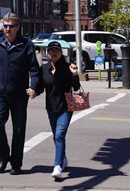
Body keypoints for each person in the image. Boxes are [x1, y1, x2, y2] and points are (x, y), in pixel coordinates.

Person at [0, 13, 40, 175]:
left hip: (19, 95)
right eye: (5, 26)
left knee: (19, 129)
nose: (7, 29)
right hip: (0, 93)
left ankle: (16, 163)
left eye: (11, 26)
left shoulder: (26, 44)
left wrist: (34, 87)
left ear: (17, 27)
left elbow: (34, 69)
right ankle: (3, 157)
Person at [29, 41, 80, 179]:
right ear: (47, 53)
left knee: (59, 135)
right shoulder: (44, 68)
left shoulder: (68, 67)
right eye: (51, 50)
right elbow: (41, 87)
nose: (54, 52)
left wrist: (75, 74)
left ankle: (57, 166)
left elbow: (76, 88)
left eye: (56, 50)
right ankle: (63, 159)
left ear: (61, 53)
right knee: (56, 136)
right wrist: (33, 92)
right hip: (51, 107)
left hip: (66, 107)